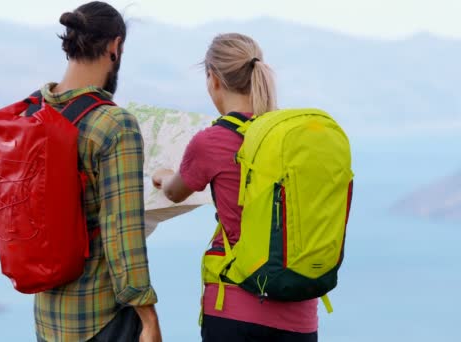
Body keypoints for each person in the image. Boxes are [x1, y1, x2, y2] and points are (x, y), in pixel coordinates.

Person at [152, 33, 318, 341]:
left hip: (236, 311)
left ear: (213, 79)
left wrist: (162, 174)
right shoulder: (289, 137)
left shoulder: (211, 141)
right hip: (301, 314)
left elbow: (174, 192)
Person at [34, 2, 161, 341]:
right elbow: (121, 232)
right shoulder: (113, 124)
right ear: (114, 47)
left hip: (48, 318)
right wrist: (148, 318)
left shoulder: (32, 112)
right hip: (102, 318)